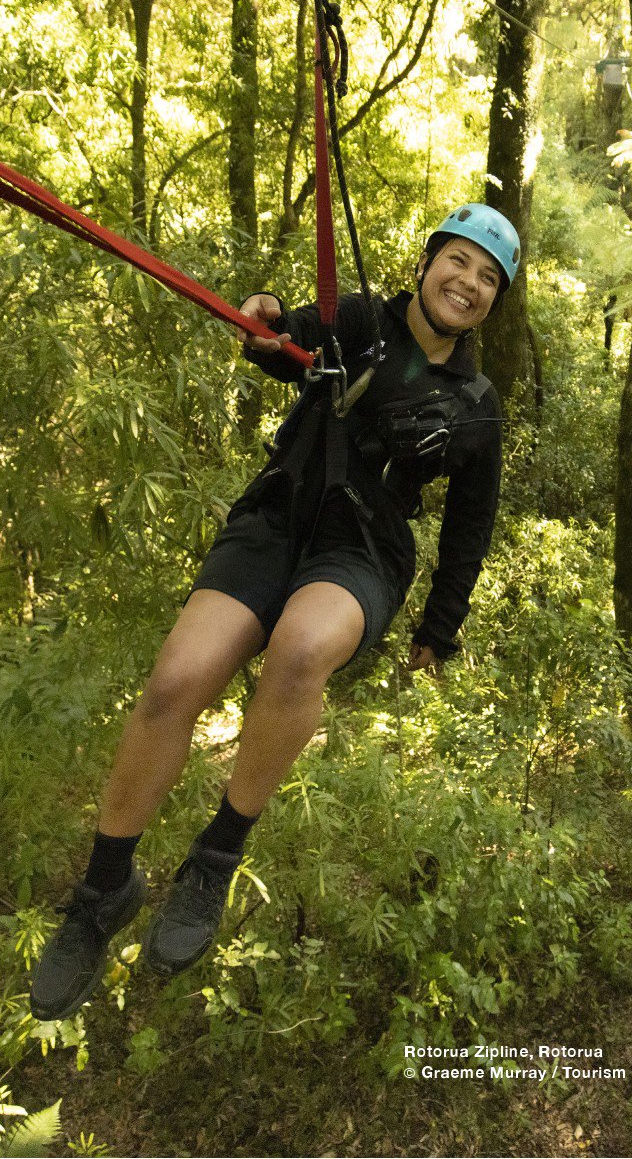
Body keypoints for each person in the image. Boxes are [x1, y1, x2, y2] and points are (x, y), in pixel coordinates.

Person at [28, 203, 520, 1021]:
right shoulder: (358, 321)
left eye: (488, 278)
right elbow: (289, 340)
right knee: (176, 680)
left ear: (494, 301)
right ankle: (103, 889)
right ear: (428, 262)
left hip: (362, 549)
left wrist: (439, 628)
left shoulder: (476, 402)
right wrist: (265, 323)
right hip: (279, 516)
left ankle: (215, 858)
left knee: (300, 649)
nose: (468, 283)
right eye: (458, 261)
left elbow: (472, 525)